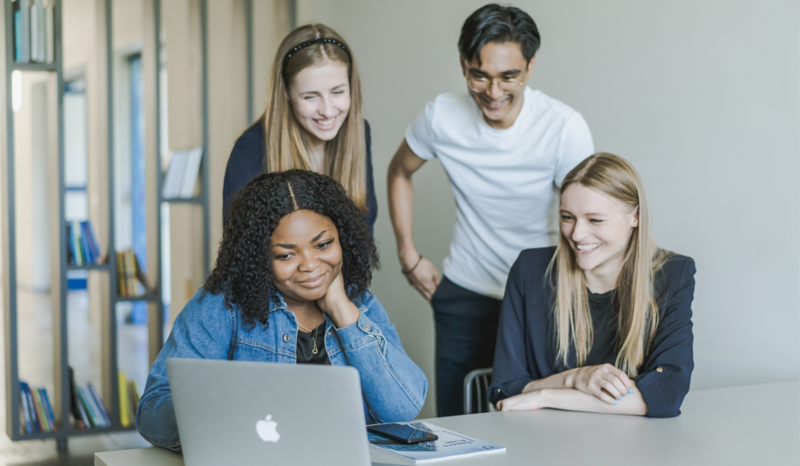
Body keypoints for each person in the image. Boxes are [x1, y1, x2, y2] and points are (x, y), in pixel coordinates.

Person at [387, 3, 594, 416]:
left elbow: (586, 218)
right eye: (479, 75)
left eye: (508, 77)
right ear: (464, 64)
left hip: (545, 293)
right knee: (458, 422)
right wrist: (408, 254)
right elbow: (398, 172)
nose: (493, 92)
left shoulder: (563, 128)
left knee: (539, 420)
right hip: (465, 292)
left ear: (531, 67)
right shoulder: (440, 117)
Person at [137, 170, 427, 451]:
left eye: (323, 244)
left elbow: (403, 407)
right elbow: (153, 414)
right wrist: (226, 407)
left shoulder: (359, 302)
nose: (310, 265)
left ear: (343, 237)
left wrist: (341, 309)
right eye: (286, 255)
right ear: (258, 256)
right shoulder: (220, 306)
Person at [489, 153, 695, 418]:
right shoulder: (530, 269)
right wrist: (576, 378)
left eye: (595, 220)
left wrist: (543, 396)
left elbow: (666, 394)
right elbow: (504, 389)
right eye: (567, 217)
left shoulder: (673, 273)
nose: (577, 234)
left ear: (636, 216)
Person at [223, 24, 377, 233]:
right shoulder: (250, 149)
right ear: (286, 92)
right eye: (310, 96)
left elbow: (364, 234)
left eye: (338, 92)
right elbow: (243, 252)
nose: (328, 110)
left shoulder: (359, 131)